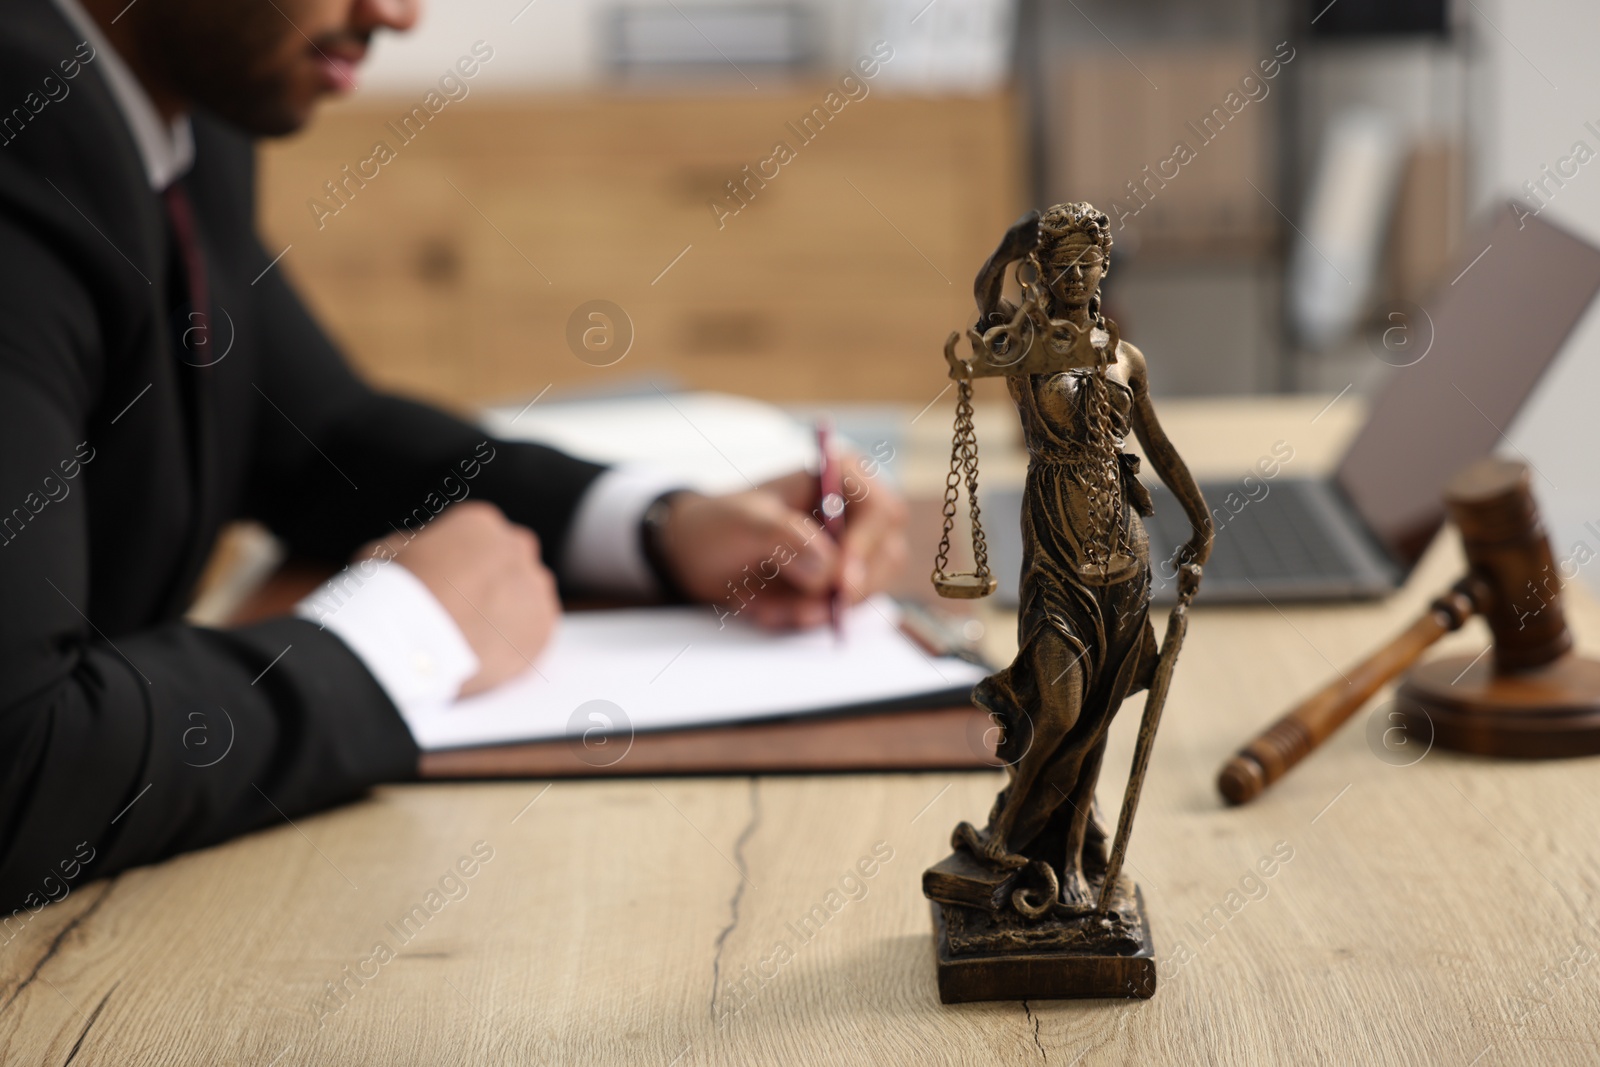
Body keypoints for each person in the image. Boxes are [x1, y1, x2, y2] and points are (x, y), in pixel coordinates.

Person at [0, 0, 907, 914]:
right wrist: (404, 634)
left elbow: (322, 436)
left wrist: (659, 528)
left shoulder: (166, 111)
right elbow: (19, 763)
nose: (398, 12)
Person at [950, 203, 1211, 915]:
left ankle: (1070, 853)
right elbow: (983, 301)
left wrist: (1203, 520)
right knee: (1059, 708)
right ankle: (1009, 827)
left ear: (1102, 271)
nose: (1073, 276)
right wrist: (1009, 243)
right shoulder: (1024, 342)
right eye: (1059, 264)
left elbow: (1155, 445)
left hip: (1125, 556)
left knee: (1097, 713)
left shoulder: (1126, 357)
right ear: (1043, 270)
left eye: (1087, 264)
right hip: (1058, 556)